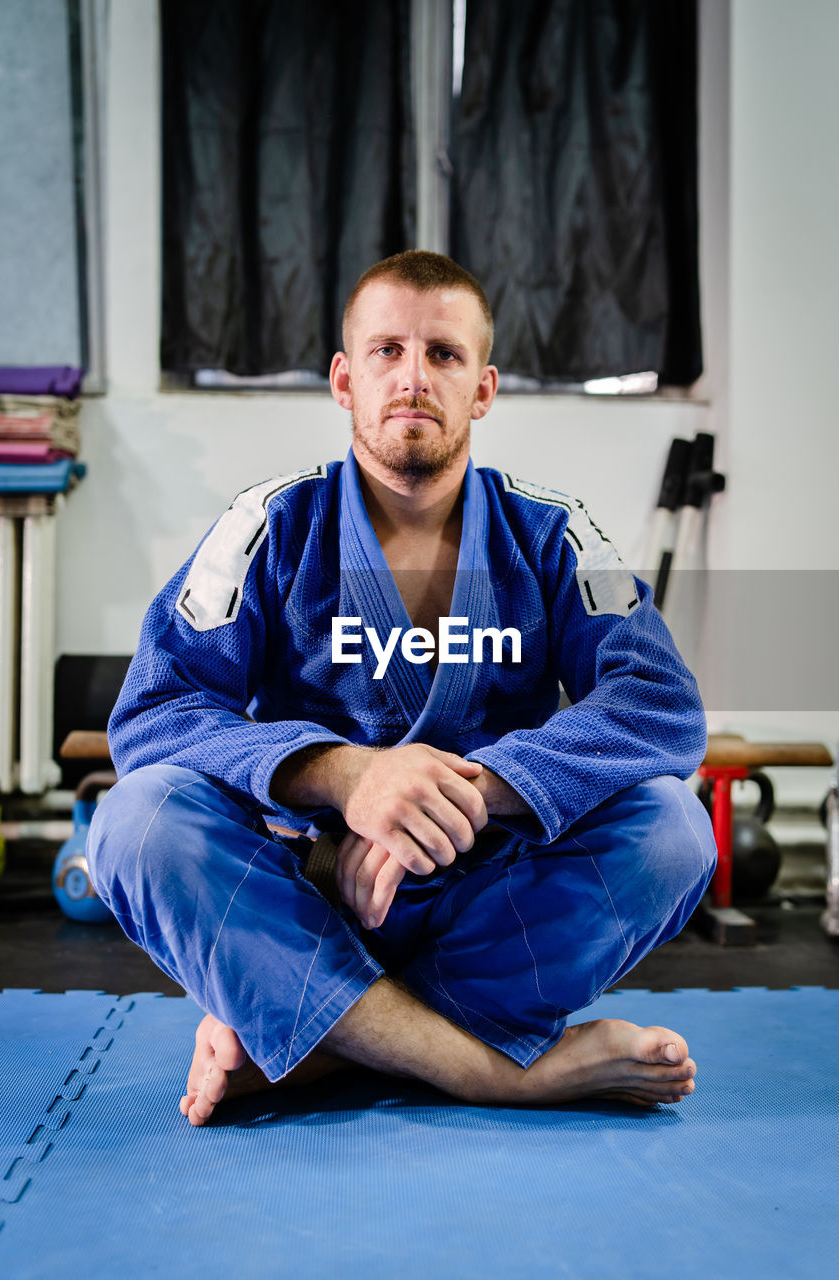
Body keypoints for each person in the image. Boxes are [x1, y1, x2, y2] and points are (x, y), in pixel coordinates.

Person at [87, 251, 716, 1126]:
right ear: (344, 380)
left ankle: (311, 1043)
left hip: (491, 891)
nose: (412, 378)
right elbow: (157, 712)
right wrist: (348, 778)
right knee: (139, 820)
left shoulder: (551, 533)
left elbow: (658, 703)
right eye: (385, 351)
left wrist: (466, 795)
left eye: (443, 355)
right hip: (313, 888)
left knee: (674, 831)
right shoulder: (269, 527)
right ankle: (491, 1072)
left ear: (483, 388)